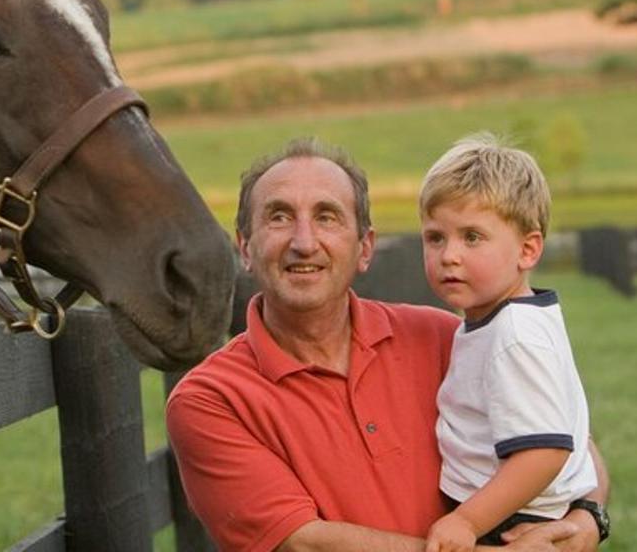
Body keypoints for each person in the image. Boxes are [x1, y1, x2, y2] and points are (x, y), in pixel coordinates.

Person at [166, 137, 609, 552]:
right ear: (245, 247)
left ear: (365, 248)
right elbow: (303, 543)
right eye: (279, 216)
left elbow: (567, 434)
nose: (304, 242)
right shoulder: (210, 400)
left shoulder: (443, 337)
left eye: (327, 216)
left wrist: (588, 520)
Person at [419, 135, 605, 551]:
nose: (449, 255)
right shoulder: (506, 322)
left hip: (513, 519)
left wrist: (466, 521)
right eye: (435, 237)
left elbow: (544, 452)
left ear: (527, 249)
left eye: (472, 238)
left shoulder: (514, 335)